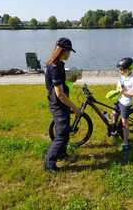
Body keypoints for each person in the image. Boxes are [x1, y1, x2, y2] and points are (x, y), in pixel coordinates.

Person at [44, 37, 81, 173]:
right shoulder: (53, 66)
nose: (69, 54)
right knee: (61, 134)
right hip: (58, 104)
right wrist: (74, 107)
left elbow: (62, 83)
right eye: (68, 51)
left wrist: (72, 78)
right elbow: (59, 93)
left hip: (62, 102)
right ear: (62, 51)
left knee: (65, 131)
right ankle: (49, 163)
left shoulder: (59, 64)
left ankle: (62, 153)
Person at [112, 57, 133, 156]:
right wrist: (116, 91)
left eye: (122, 69)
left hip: (126, 102)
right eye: (119, 69)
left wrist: (126, 92)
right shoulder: (122, 77)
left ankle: (125, 142)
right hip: (119, 99)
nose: (120, 71)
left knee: (124, 122)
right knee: (114, 113)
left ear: (129, 69)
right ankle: (114, 130)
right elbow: (119, 87)